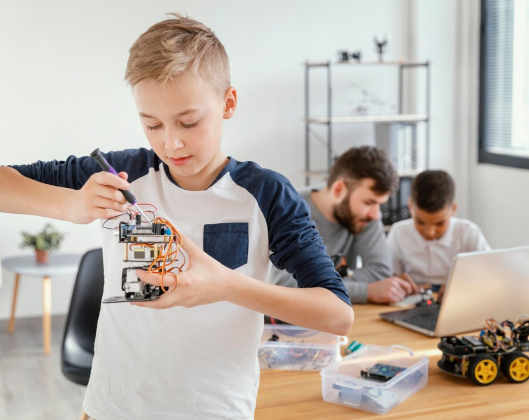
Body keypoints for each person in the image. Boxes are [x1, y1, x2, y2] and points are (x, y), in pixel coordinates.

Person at [0, 14, 354, 420]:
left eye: (189, 122)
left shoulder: (267, 193)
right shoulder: (120, 175)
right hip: (110, 407)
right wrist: (72, 205)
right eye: (151, 125)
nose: (171, 142)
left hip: (215, 410)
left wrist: (226, 286)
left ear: (228, 103)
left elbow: (337, 315)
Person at [270, 146, 420, 304]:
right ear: (339, 189)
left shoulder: (364, 216)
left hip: (340, 314)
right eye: (369, 202)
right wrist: (366, 290)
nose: (376, 214)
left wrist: (319, 286)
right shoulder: (290, 210)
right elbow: (285, 286)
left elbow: (380, 271)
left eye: (379, 204)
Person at [388, 170, 491, 287]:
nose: (430, 233)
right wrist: (395, 280)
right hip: (413, 299)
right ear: (410, 206)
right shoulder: (398, 232)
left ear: (453, 209)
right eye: (420, 222)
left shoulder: (468, 233)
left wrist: (461, 285)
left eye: (439, 223)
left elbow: (488, 276)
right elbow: (389, 275)